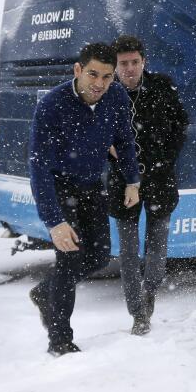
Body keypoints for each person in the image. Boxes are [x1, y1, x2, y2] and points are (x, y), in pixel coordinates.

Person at [28, 43, 140, 357]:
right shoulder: (52, 105)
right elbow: (38, 167)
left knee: (101, 256)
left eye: (107, 76)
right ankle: (60, 340)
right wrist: (54, 221)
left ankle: (43, 292)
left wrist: (132, 180)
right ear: (78, 70)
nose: (100, 83)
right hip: (60, 187)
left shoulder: (116, 96)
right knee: (69, 260)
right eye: (93, 74)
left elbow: (124, 139)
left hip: (92, 187)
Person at [107, 35, 189, 336]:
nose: (129, 69)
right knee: (129, 254)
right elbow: (94, 132)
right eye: (123, 63)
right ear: (115, 66)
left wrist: (165, 160)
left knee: (157, 254)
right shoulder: (107, 94)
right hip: (122, 184)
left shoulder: (162, 87)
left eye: (134, 62)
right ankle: (138, 314)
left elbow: (181, 124)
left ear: (144, 62)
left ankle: (150, 291)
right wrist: (109, 149)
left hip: (160, 181)